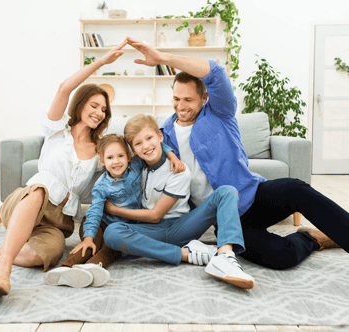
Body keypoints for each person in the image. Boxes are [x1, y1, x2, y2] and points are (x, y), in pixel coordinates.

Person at [126, 36, 349, 295]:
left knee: (297, 189)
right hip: (227, 219)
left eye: (188, 99)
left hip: (254, 196)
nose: (181, 106)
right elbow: (146, 151)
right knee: (279, 257)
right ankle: (311, 239)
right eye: (176, 99)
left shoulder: (221, 112)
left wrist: (162, 57)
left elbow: (215, 72)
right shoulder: (165, 131)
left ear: (204, 98)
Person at [0, 40, 128, 297]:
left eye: (103, 109)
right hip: (27, 201)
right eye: (93, 105)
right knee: (40, 190)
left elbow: (124, 160)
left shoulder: (98, 151)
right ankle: (1, 273)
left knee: (39, 258)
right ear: (81, 104)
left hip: (59, 220)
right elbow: (64, 88)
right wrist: (101, 62)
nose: (98, 112)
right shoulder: (57, 129)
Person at [102, 114, 255, 289]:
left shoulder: (179, 171)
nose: (146, 146)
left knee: (227, 192)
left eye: (149, 138)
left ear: (160, 136)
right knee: (112, 232)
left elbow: (154, 216)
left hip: (180, 228)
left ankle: (225, 256)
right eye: (138, 144)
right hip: (152, 231)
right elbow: (137, 153)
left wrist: (114, 210)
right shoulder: (137, 164)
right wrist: (169, 152)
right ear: (133, 151)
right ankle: (187, 254)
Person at [44, 133, 185, 288]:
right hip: (100, 223)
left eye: (120, 156)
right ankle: (64, 269)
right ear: (102, 161)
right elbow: (95, 211)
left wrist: (173, 156)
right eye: (110, 158)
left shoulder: (137, 166)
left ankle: (91, 268)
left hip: (124, 228)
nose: (116, 162)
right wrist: (88, 237)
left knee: (111, 248)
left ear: (129, 156)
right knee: (90, 245)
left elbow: (155, 147)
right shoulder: (101, 185)